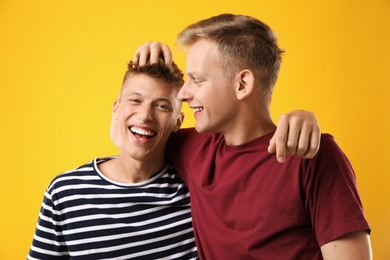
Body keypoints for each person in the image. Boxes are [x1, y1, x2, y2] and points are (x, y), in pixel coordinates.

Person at [133, 14, 372, 259]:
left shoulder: (310, 154)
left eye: (197, 80)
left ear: (242, 84)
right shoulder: (192, 148)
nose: (183, 94)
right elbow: (137, 128)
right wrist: (151, 62)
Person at [28, 61, 198, 259]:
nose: (145, 116)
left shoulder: (196, 189)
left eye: (162, 106)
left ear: (178, 121)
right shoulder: (65, 193)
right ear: (116, 108)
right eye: (135, 100)